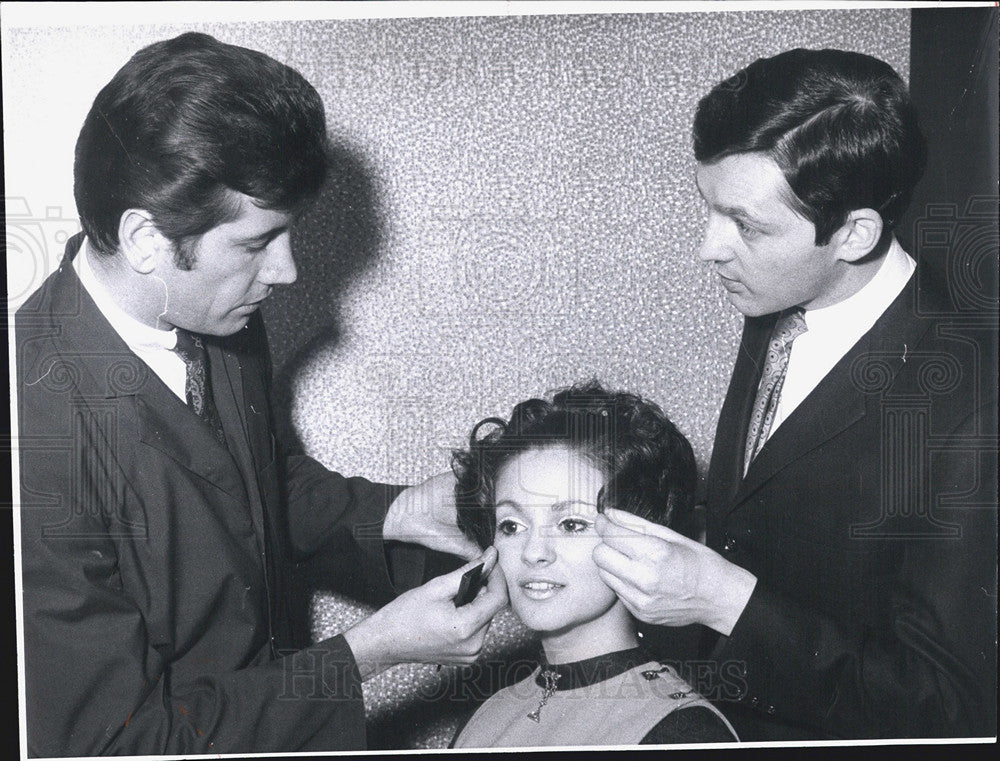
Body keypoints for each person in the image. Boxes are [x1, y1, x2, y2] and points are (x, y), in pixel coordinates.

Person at [15, 32, 504, 757]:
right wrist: (367, 653)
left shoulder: (215, 312)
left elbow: (240, 484)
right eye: (257, 243)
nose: (288, 272)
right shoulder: (33, 434)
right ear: (147, 238)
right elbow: (112, 743)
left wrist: (396, 511)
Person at [592, 48, 998, 740]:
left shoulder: (972, 405)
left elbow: (946, 703)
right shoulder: (776, 299)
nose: (709, 248)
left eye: (745, 225)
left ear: (855, 234)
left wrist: (725, 600)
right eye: (710, 209)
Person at [448, 382, 738, 748]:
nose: (533, 552)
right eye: (511, 526)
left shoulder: (682, 731)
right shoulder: (487, 712)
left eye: (571, 524)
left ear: (640, 536)